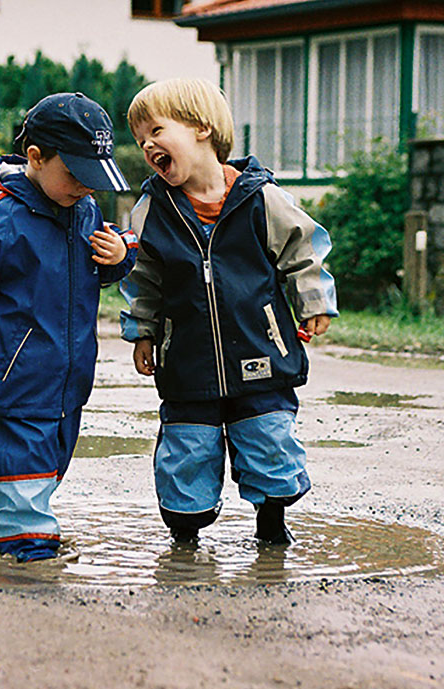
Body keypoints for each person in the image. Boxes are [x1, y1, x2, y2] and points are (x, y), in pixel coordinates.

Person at [0, 93, 137, 562]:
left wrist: (122, 253)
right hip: (13, 377)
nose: (85, 187)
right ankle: (25, 557)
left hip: (67, 380)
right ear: (35, 158)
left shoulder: (85, 210)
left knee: (45, 470)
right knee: (21, 483)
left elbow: (102, 260)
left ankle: (8, 533)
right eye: (76, 175)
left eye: (94, 179)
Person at [120, 79, 338, 545]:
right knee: (187, 450)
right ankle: (185, 534)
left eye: (156, 130)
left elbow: (303, 248)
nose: (147, 145)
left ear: (201, 128)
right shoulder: (152, 211)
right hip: (187, 361)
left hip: (261, 351)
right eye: (141, 140)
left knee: (267, 438)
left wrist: (313, 299)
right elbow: (144, 278)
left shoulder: (260, 198)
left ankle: (272, 522)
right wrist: (143, 331)